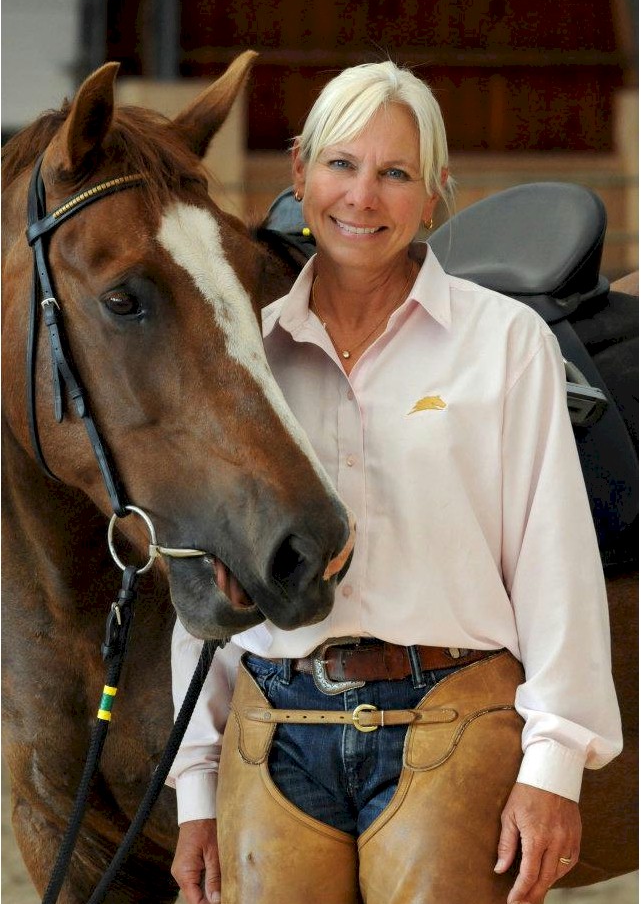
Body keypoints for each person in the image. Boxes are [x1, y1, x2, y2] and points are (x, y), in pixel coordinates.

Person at [167, 61, 622, 904]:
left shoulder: (505, 342)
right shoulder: (245, 354)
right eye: (341, 164)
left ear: (434, 192)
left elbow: (552, 560)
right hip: (273, 728)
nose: (362, 197)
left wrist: (554, 763)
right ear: (298, 171)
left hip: (454, 717)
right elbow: (203, 590)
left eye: (395, 173)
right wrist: (195, 789)